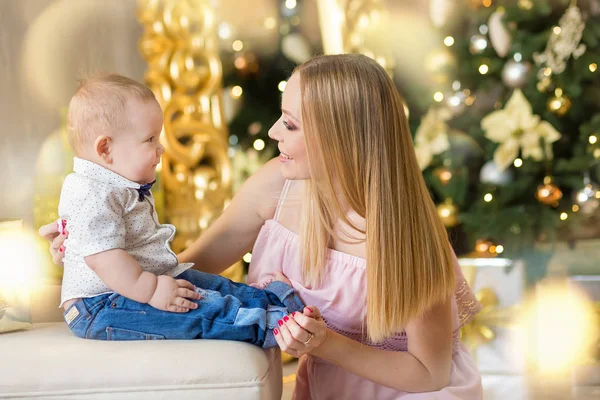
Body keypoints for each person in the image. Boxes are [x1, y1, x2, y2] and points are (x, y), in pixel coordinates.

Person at [42, 55, 483, 399]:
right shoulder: (279, 184)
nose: (273, 131)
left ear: (339, 139)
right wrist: (98, 246)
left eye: (290, 124)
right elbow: (188, 266)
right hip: (327, 389)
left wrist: (325, 345)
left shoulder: (407, 238)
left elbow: (429, 374)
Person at [43, 73, 304, 347]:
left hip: (136, 284)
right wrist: (152, 289)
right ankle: (269, 325)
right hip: (102, 305)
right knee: (196, 310)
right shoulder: (92, 192)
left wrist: (155, 282)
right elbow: (104, 260)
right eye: (150, 140)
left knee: (206, 284)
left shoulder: (114, 184)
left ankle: (270, 301)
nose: (161, 148)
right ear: (106, 149)